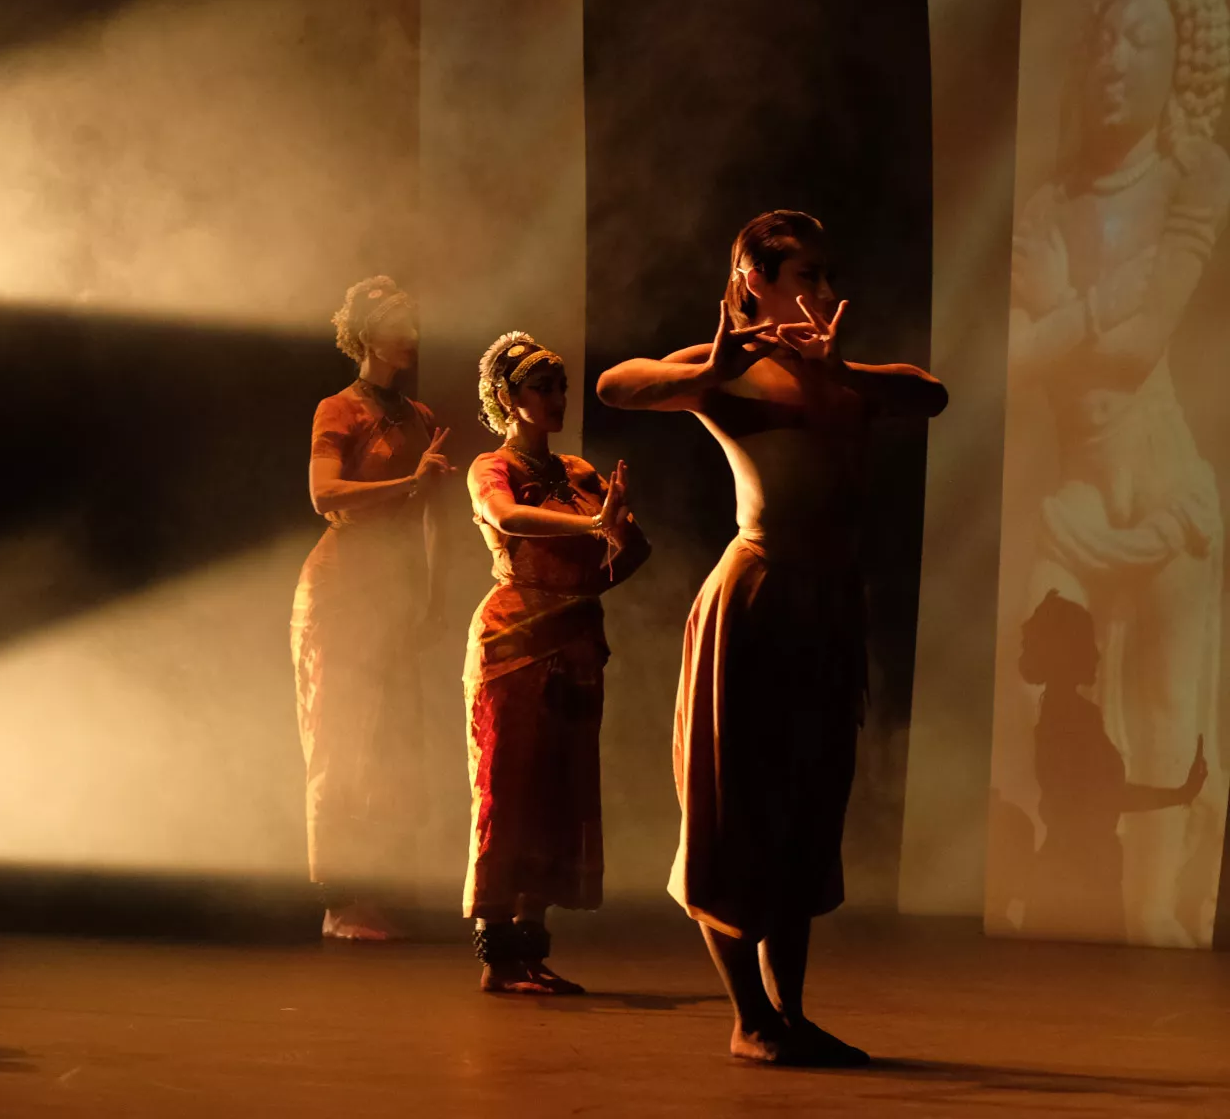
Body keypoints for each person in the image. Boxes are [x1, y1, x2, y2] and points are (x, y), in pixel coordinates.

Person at [596, 210, 947, 1065]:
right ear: (754, 279)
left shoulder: (845, 376)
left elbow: (928, 393)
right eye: (807, 277)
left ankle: (790, 1012)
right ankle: (750, 1017)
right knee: (739, 808)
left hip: (825, 607)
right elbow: (616, 384)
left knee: (805, 807)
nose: (824, 292)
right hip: (756, 600)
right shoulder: (725, 373)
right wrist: (720, 359)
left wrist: (841, 364)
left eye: (827, 275)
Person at [1003, 0, 1230, 947]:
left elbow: (1139, 349)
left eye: (1138, 46)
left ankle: (1159, 927)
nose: (1112, 64)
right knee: (1046, 720)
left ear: (1175, 63)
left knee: (1162, 731)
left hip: (1167, 499)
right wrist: (1099, 312)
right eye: (1101, 43)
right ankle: (1060, 908)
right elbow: (1020, 357)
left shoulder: (1194, 179)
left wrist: (1074, 314)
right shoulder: (1045, 206)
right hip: (1076, 498)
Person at [463, 333, 647, 994]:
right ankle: (497, 956)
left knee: (561, 795)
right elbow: (504, 517)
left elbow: (629, 551)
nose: (557, 398)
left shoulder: (578, 470)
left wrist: (616, 532)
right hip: (513, 642)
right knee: (508, 791)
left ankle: (531, 949)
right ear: (509, 398)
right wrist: (594, 526)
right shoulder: (493, 467)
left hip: (575, 642)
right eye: (542, 387)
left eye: (561, 386)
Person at [291, 276, 455, 940]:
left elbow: (435, 515)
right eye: (399, 320)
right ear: (367, 334)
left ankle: (379, 883)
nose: (412, 333)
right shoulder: (339, 409)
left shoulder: (418, 416)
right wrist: (407, 484)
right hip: (340, 588)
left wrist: (437, 593)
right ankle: (339, 898)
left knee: (390, 738)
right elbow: (323, 493)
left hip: (393, 588)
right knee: (339, 731)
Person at [1019, 589, 1208, 941]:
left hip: (1078, 869)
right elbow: (1109, 797)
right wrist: (1181, 793)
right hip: (1078, 875)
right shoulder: (1074, 718)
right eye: (1087, 643)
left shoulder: (1064, 715)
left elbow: (1105, 796)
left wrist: (1181, 793)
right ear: (1069, 651)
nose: (1097, 653)